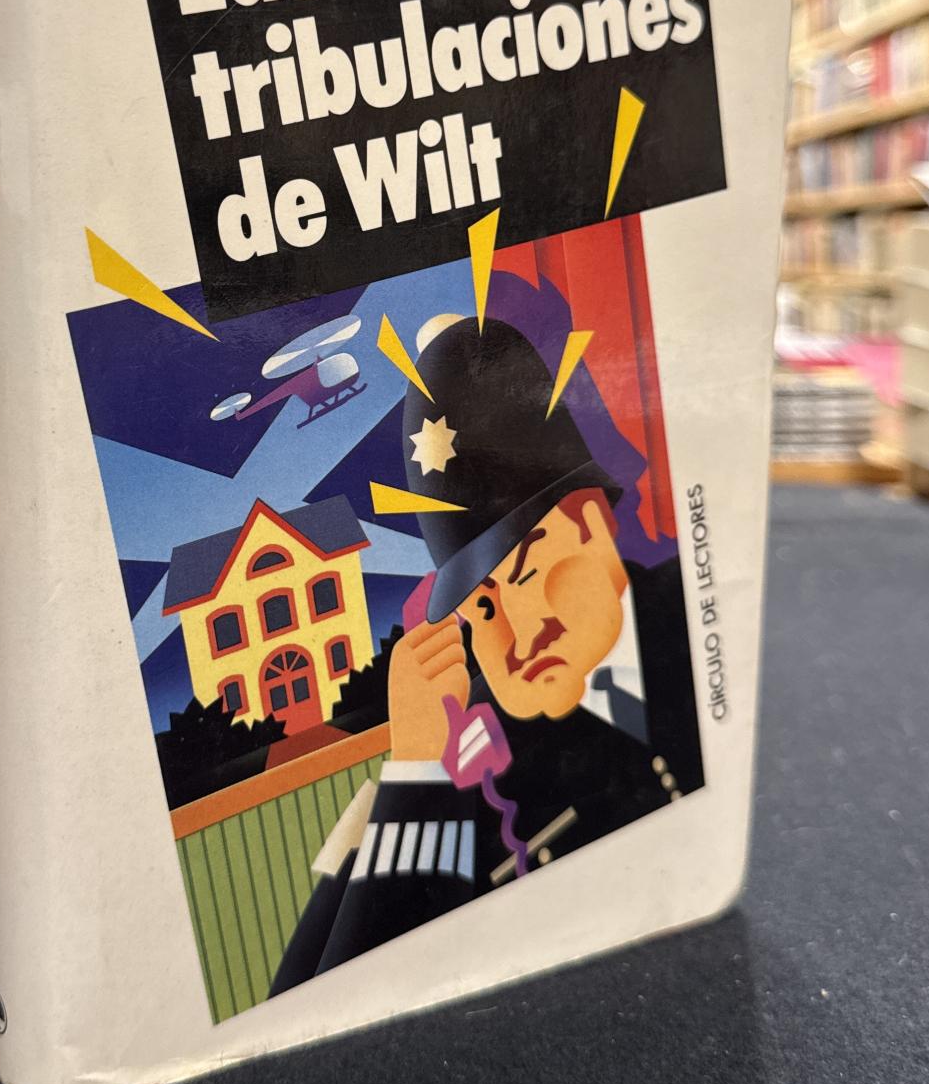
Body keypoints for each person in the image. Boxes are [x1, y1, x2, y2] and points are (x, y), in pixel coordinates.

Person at [271, 310, 701, 994]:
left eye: (524, 575)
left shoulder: (693, 615)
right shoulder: (461, 757)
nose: (515, 638)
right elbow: (311, 999)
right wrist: (417, 772)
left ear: (592, 522)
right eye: (481, 607)